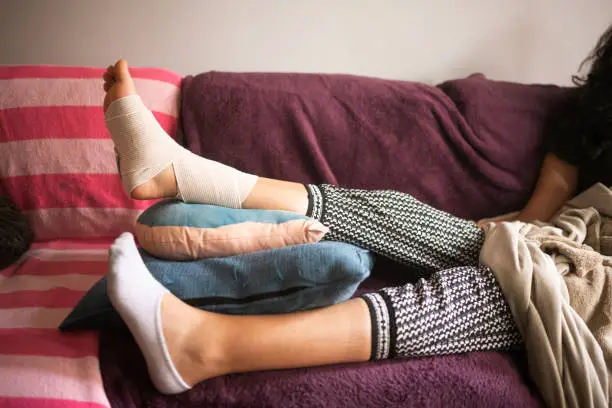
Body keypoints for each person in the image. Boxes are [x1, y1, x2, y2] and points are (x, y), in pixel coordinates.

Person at [101, 24, 612, 395]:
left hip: (597, 298)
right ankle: (174, 174)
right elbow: (539, 215)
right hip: (568, 244)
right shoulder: (592, 118)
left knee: (505, 289)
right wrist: (477, 233)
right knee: (398, 213)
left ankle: (204, 347)